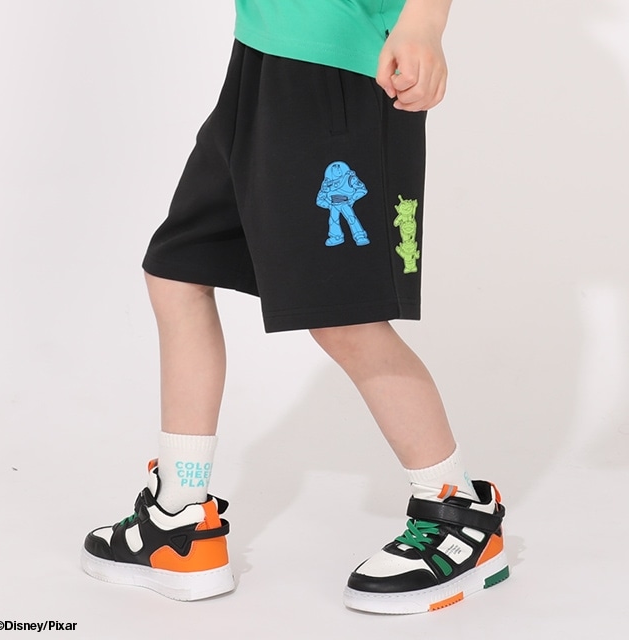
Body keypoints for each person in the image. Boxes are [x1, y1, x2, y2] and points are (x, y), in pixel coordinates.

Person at [81, 0, 509, 614]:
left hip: (340, 71)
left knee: (345, 319)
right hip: (258, 60)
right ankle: (178, 517)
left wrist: (424, 22)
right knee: (178, 270)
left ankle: (458, 510)